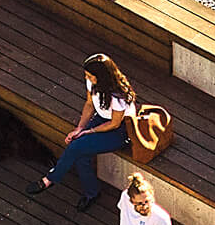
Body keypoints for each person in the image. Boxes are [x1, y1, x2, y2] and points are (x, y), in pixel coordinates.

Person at [28, 54, 135, 210]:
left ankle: (50, 179)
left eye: (90, 76)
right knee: (81, 156)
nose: (87, 78)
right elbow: (90, 104)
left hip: (119, 131)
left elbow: (114, 124)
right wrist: (79, 128)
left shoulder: (117, 96)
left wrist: (89, 131)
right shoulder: (92, 83)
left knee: (77, 147)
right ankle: (92, 193)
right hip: (102, 119)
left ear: (102, 77)